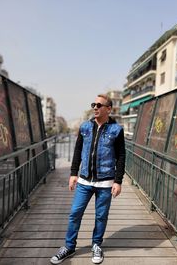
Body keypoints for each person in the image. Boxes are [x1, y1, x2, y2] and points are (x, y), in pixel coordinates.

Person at [50, 94, 125, 264]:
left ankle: (96, 245)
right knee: (75, 213)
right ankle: (69, 247)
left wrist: (118, 181)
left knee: (101, 216)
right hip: (84, 181)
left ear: (108, 109)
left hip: (105, 182)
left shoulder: (116, 130)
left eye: (99, 105)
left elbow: (121, 156)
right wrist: (73, 174)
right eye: (94, 104)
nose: (95, 107)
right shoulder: (84, 127)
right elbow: (77, 151)